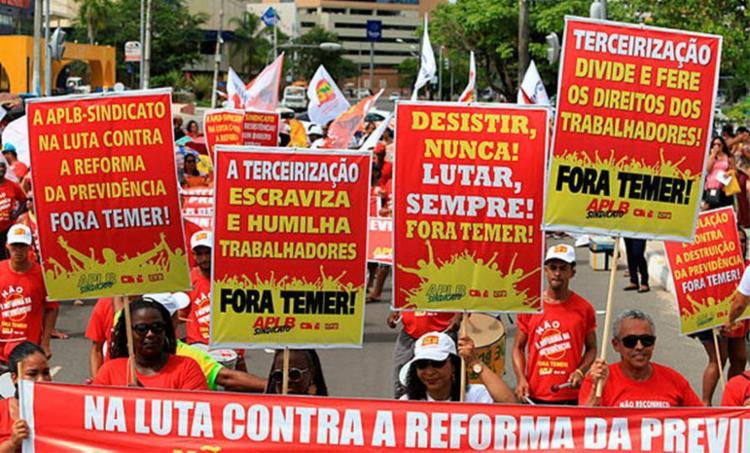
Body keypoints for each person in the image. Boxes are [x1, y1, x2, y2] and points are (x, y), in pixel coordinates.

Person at [512, 244, 597, 404]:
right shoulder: (531, 306)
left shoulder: (585, 308)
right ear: (545, 270)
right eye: (553, 267)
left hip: (570, 395)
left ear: (572, 272)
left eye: (563, 268)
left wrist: (580, 371)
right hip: (535, 395)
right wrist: (521, 379)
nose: (557, 273)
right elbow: (517, 347)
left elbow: (592, 348)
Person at [580, 309, 703, 407]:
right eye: (631, 341)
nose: (639, 347)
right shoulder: (597, 380)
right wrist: (595, 391)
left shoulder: (675, 380)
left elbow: (703, 419)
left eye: (646, 340)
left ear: (654, 343)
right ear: (616, 345)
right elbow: (582, 427)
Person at [93, 298, 208, 390]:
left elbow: (194, 416)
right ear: (128, 333)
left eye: (157, 327)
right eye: (141, 328)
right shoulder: (109, 372)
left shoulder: (187, 369)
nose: (150, 334)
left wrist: (146, 398)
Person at [399, 332, 515, 403]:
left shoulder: (475, 396)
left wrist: (474, 361)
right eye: (422, 365)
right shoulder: (407, 403)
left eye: (437, 363)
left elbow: (510, 404)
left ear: (453, 365)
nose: (429, 372)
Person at [0, 225, 58, 362]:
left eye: (22, 245)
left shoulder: (42, 274)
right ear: (7, 245)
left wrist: (45, 343)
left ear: (30, 246)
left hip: (29, 350)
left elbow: (52, 308)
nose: (18, 250)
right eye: (15, 245)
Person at [387, 309, 459, 398]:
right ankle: (402, 408)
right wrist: (395, 310)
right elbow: (400, 297)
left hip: (442, 335)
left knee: (446, 379)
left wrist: (459, 315)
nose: (429, 372)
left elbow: (466, 299)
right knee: (402, 381)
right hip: (409, 335)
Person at [0, 342, 51, 453]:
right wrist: (12, 443)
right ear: (14, 378)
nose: (41, 380)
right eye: (32, 374)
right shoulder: (2, 411)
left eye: (46, 373)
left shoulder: (61, 411)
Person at [0, 161, 26, 259]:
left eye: (3, 166)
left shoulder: (13, 185)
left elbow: (25, 202)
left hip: (9, 229)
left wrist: (16, 213)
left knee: (10, 257)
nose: (1, 169)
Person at [703, 136, 735, 210]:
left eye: (719, 144)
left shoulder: (728, 157)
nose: (717, 146)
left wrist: (729, 173)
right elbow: (708, 169)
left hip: (724, 187)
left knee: (724, 209)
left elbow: (734, 170)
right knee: (709, 207)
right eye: (714, 144)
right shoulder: (711, 156)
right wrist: (713, 154)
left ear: (723, 145)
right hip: (712, 186)